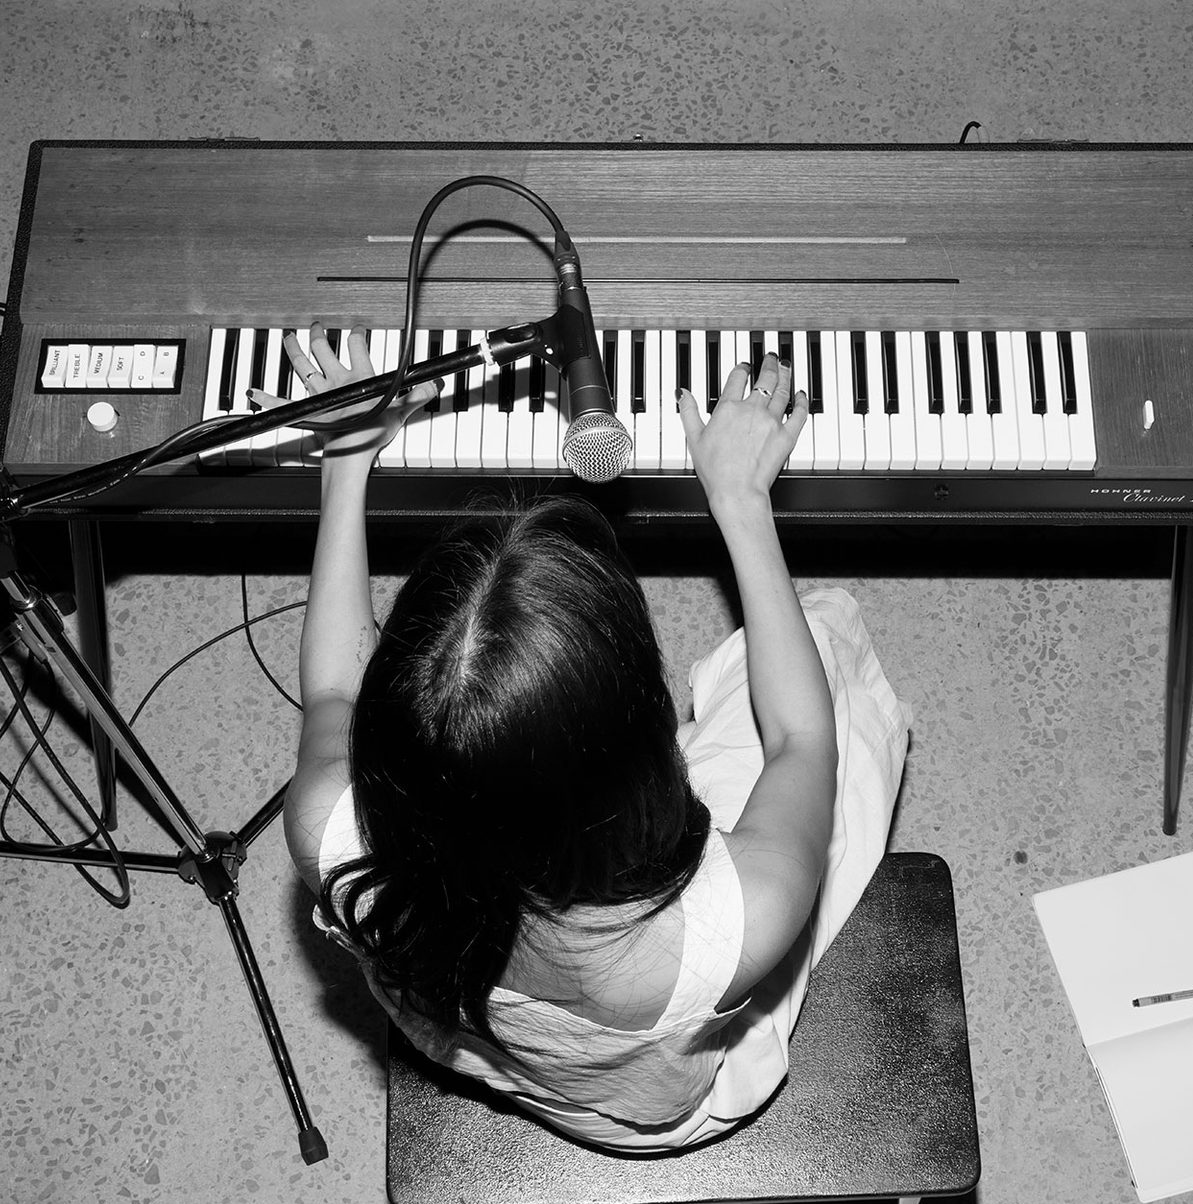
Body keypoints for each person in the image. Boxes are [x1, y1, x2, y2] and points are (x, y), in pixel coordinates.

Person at [282, 324, 909, 1151]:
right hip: (656, 1113)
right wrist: (742, 504)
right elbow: (802, 737)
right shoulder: (735, 923)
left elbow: (329, 687)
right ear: (634, 755)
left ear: (393, 734)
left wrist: (347, 458)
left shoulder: (328, 824)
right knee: (824, 640)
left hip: (478, 1049)